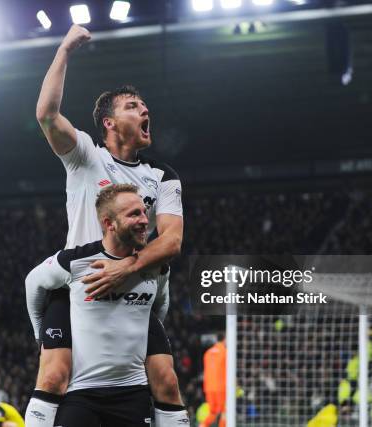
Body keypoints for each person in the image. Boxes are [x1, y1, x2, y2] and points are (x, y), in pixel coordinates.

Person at [28, 23, 187, 427]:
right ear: (109, 123)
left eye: (144, 105)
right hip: (82, 285)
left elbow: (171, 241)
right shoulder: (86, 156)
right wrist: (64, 50)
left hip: (132, 284)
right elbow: (46, 115)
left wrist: (128, 268)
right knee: (54, 376)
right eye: (133, 106)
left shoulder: (162, 175)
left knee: (166, 381)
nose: (145, 110)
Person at [26, 184, 172, 426]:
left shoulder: (157, 267)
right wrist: (39, 332)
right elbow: (33, 282)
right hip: (81, 393)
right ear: (109, 223)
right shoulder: (74, 261)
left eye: (144, 212)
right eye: (134, 214)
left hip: (133, 393)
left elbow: (161, 304)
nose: (145, 220)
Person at [202, 334, 227, 427]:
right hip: (221, 388)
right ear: (225, 339)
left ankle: (202, 425)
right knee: (225, 412)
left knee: (213, 412)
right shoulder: (225, 352)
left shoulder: (207, 353)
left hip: (209, 387)